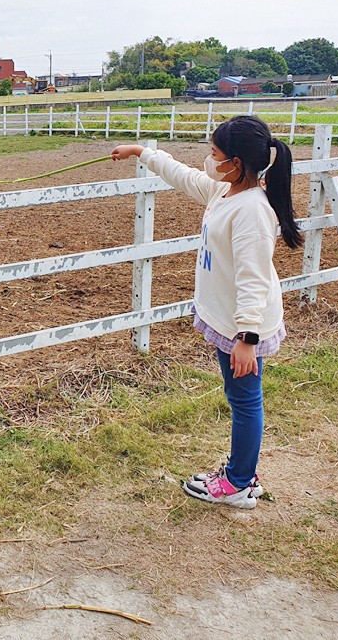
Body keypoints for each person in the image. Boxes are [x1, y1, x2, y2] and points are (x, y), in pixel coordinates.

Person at [111, 116, 303, 509]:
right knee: (241, 397)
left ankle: (238, 482)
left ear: (234, 162)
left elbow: (254, 278)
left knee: (245, 400)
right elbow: (183, 177)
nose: (207, 160)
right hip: (231, 321)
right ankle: (242, 473)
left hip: (241, 327)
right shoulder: (227, 193)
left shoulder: (250, 210)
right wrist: (142, 153)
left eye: (213, 154)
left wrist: (247, 338)